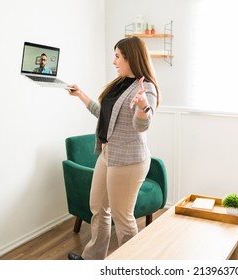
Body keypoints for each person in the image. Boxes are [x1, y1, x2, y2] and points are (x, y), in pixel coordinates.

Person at [66, 36, 160, 260]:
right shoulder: (119, 83)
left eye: (117, 56)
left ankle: (130, 266)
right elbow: (104, 115)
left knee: (123, 217)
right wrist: (80, 94)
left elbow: (142, 125)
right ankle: (93, 260)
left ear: (130, 58)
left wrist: (142, 107)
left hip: (129, 161)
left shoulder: (146, 88)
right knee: (98, 208)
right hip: (108, 155)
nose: (114, 61)